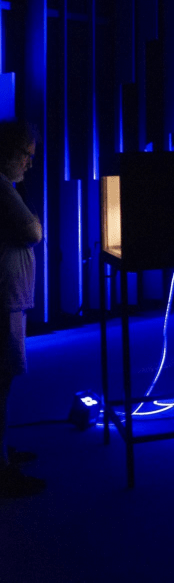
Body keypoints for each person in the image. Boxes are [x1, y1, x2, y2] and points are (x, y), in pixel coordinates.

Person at [0, 119, 44, 498]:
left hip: (9, 299)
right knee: (1, 381)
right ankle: (1, 469)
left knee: (4, 381)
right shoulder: (1, 188)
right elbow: (32, 231)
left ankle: (1, 452)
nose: (29, 162)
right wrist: (36, 222)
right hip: (4, 301)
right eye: (26, 155)